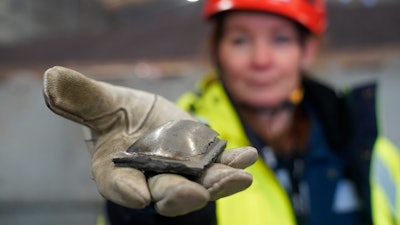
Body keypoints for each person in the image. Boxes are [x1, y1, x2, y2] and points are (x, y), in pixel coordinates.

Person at [42, 0, 400, 225]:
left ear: (306, 51)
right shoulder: (180, 132)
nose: (261, 60)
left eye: (280, 39)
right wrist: (146, 209)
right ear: (217, 51)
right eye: (240, 40)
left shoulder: (370, 150)